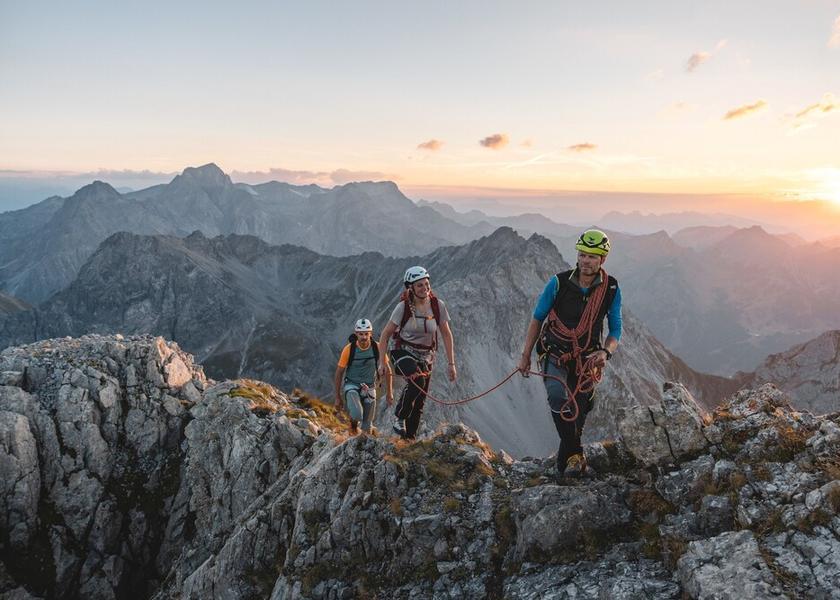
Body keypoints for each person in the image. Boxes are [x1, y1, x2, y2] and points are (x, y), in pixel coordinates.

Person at [517, 229, 622, 477]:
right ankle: (576, 454)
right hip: (555, 353)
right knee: (557, 396)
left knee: (578, 414)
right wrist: (525, 355)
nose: (585, 260)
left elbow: (616, 329)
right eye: (582, 255)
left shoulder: (611, 289)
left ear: (602, 260)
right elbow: (537, 319)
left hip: (587, 359)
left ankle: (566, 469)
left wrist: (606, 352)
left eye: (592, 257)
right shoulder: (558, 283)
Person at [378, 266, 457, 440]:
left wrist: (451, 364)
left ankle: (409, 439)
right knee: (417, 380)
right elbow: (384, 335)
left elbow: (446, 333)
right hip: (402, 351)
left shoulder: (438, 306)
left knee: (420, 400)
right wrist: (382, 363)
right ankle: (399, 417)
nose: (425, 288)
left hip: (427, 356)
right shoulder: (403, 307)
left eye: (426, 284)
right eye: (419, 285)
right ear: (410, 288)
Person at [334, 318, 392, 434]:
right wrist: (337, 397)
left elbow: (388, 369)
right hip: (352, 385)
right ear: (356, 334)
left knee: (367, 428)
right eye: (361, 334)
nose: (364, 337)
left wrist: (389, 392)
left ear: (370, 333)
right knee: (357, 414)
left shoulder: (378, 348)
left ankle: (360, 445)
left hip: (370, 387)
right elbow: (339, 372)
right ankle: (353, 425)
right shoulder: (349, 349)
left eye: (366, 334)